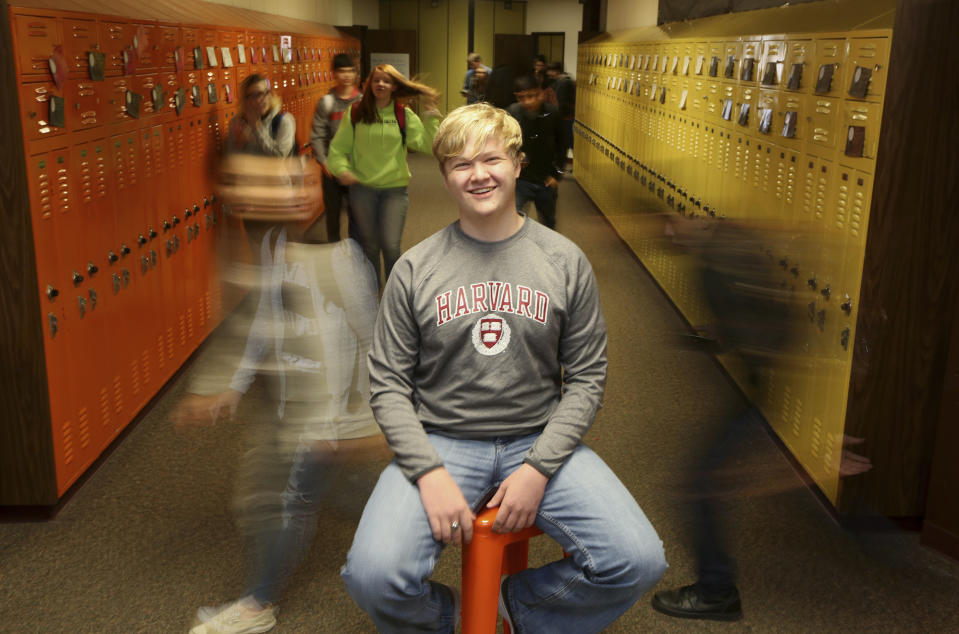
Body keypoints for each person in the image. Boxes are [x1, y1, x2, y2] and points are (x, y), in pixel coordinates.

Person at [339, 103, 667, 633]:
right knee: (372, 576)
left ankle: (520, 609)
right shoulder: (415, 269)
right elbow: (388, 385)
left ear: (517, 163)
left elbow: (586, 379)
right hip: (443, 438)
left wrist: (539, 468)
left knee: (636, 558)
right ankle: (456, 620)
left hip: (536, 437)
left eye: (490, 159)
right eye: (459, 164)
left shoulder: (563, 261)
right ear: (445, 176)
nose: (478, 175)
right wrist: (428, 472)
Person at [178, 157, 388, 634]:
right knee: (324, 491)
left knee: (287, 498)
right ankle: (424, 514)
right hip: (292, 406)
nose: (289, 193)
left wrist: (360, 425)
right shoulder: (274, 246)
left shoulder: (340, 258)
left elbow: (372, 341)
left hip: (324, 413)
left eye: (301, 184)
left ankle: (258, 605)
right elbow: (261, 320)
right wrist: (229, 387)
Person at [326, 64, 441, 285]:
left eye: (386, 81)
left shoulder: (402, 115)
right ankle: (371, 291)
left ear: (394, 86)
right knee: (369, 245)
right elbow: (338, 150)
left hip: (394, 191)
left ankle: (392, 293)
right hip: (362, 190)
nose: (380, 84)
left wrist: (431, 116)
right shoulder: (356, 112)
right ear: (369, 84)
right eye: (376, 80)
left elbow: (427, 145)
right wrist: (341, 170)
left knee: (390, 245)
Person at [308, 53, 361, 243]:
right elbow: (318, 135)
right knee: (333, 215)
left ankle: (356, 254)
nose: (346, 76)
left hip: (356, 168)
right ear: (334, 74)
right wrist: (324, 164)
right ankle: (334, 253)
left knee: (358, 216)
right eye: (341, 71)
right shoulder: (327, 102)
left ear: (355, 74)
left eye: (350, 71)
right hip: (331, 169)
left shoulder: (362, 102)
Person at [508, 75, 567, 230]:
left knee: (548, 223)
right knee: (513, 221)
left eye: (531, 96)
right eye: (521, 98)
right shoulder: (513, 113)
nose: (527, 101)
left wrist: (557, 175)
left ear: (540, 93)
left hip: (545, 179)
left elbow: (562, 145)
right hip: (520, 179)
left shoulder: (552, 113)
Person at [226, 74, 295, 157]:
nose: (259, 100)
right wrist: (239, 145)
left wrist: (257, 128)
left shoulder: (284, 121)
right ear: (246, 100)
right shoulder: (237, 123)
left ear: (270, 95)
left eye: (263, 93)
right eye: (254, 96)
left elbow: (279, 157)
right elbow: (230, 159)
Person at [546, 61, 575, 164]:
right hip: (566, 116)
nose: (548, 73)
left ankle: (562, 163)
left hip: (565, 117)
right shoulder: (561, 80)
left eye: (550, 70)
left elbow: (561, 102)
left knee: (567, 140)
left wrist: (557, 117)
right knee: (567, 140)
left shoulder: (563, 82)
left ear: (556, 71)